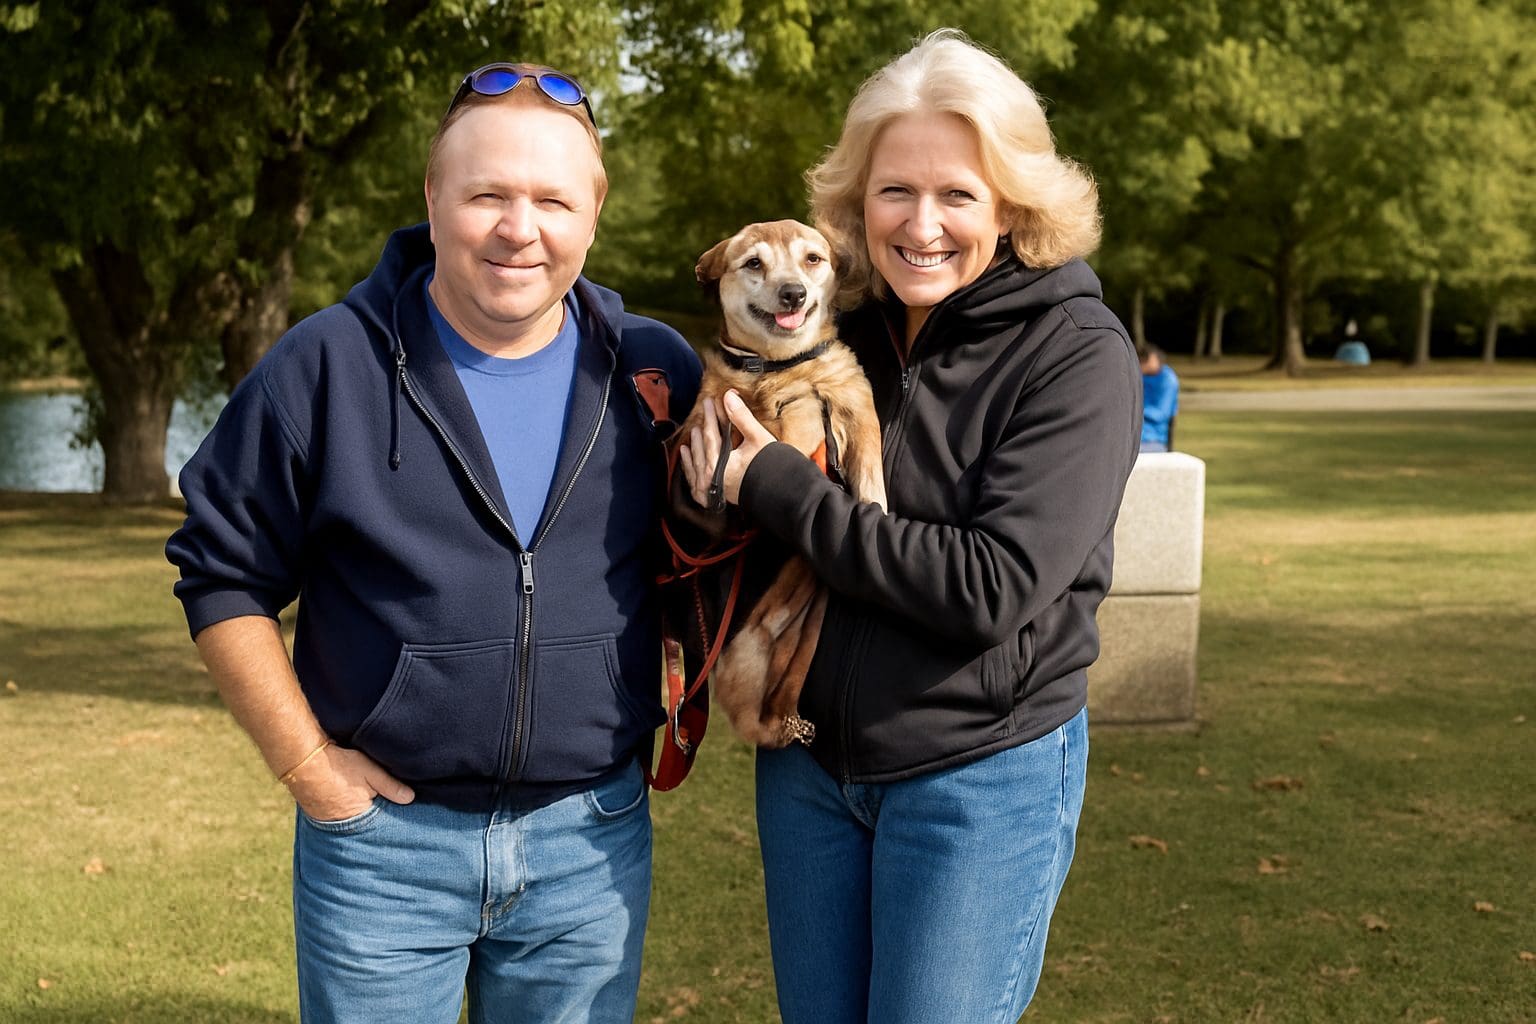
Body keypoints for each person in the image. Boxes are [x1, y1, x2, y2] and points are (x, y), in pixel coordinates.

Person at [165, 62, 699, 1024]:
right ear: (432, 196)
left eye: (552, 200)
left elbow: (727, 548)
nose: (519, 229)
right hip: (384, 854)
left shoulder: (656, 372)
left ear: (595, 211)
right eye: (487, 194)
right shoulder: (326, 363)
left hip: (591, 844)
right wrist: (308, 770)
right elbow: (220, 573)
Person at [678, 30, 1140, 1024]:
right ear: (854, 202)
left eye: (957, 195)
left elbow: (987, 587)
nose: (920, 224)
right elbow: (733, 531)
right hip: (807, 770)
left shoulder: (1076, 351)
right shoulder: (839, 330)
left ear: (1012, 204)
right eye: (895, 191)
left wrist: (772, 484)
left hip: (976, 778)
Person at [1139, 343, 1180, 451]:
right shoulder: (1141, 376)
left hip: (1152, 439)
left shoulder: (1167, 379)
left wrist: (1135, 410)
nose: (1142, 364)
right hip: (1134, 437)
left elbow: (1161, 413)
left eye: (1146, 360)